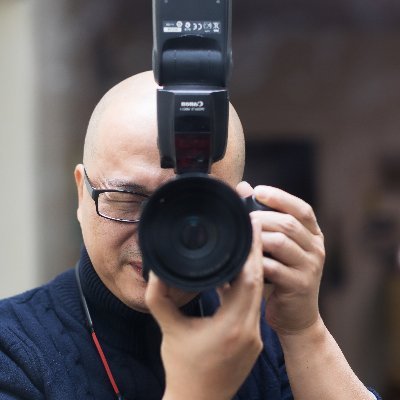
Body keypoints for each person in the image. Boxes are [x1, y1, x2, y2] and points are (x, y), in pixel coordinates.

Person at [0, 71, 380, 400]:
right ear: (82, 193)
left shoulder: (257, 338)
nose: (152, 236)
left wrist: (303, 330)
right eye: (128, 199)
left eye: (189, 209)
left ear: (237, 208)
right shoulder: (13, 348)